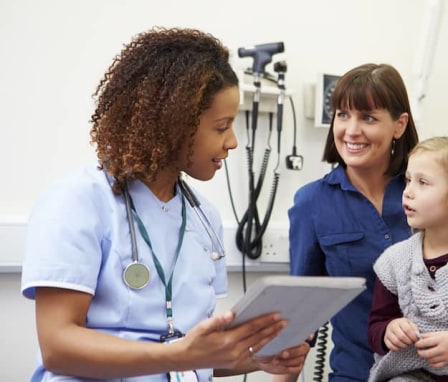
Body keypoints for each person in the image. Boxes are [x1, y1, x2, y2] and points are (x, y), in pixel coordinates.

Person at [20, 27, 310, 382]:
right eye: (221, 127)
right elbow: (58, 346)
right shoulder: (77, 202)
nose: (232, 142)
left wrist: (258, 357)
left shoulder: (204, 217)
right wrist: (176, 354)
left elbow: (194, 355)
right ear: (173, 125)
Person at [273, 63, 419, 382]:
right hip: (357, 375)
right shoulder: (313, 202)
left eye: (368, 117)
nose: (351, 130)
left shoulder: (429, 191)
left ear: (399, 125)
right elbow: (300, 315)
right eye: (343, 114)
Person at [368, 136, 448, 382]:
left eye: (423, 182)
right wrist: (388, 332)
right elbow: (376, 325)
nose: (408, 192)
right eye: (408, 180)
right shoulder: (396, 261)